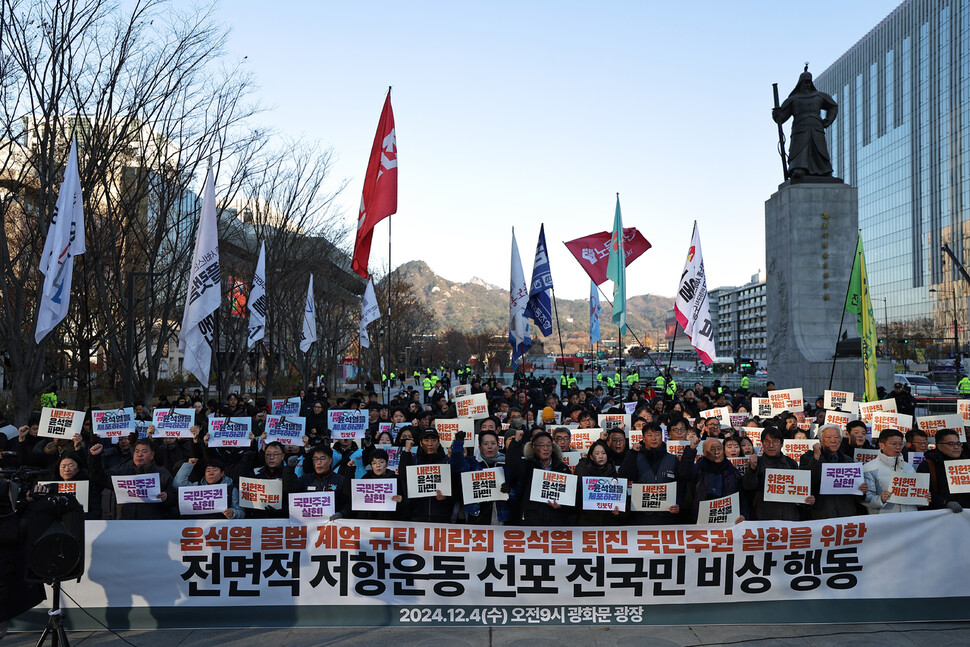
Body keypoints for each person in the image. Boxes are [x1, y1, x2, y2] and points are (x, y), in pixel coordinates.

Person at [618, 422, 693, 524]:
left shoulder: (672, 459)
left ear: (662, 437)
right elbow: (624, 476)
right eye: (649, 435)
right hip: (640, 516)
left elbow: (681, 485)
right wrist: (632, 453)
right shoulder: (635, 456)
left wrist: (678, 503)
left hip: (666, 515)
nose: (654, 438)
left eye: (657, 435)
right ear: (643, 439)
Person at [772, 66, 838, 178]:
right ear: (800, 83)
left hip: (816, 126)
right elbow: (781, 118)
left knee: (819, 149)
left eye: (809, 82)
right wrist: (777, 114)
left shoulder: (819, 96)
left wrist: (827, 121)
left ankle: (824, 170)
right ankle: (798, 168)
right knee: (799, 149)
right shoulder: (793, 99)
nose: (807, 85)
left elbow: (833, 106)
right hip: (800, 128)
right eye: (804, 82)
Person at [87, 438, 176, 519]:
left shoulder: (163, 475)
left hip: (152, 524)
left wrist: (167, 497)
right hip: (125, 524)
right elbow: (99, 477)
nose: (139, 455)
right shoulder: (122, 473)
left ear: (152, 455)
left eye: (144, 451)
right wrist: (95, 457)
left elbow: (175, 500)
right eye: (137, 451)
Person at [743, 427, 814, 520]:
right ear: (762, 444)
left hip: (790, 517)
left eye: (775, 441)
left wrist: (805, 500)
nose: (771, 445)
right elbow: (748, 487)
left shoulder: (791, 463)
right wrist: (752, 469)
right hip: (764, 519)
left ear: (781, 444)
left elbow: (797, 493)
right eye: (767, 441)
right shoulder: (757, 463)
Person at [506, 429, 574, 526]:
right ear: (533, 447)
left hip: (556, 522)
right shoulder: (527, 467)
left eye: (548, 445)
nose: (545, 448)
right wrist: (516, 442)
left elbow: (571, 498)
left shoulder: (563, 468)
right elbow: (512, 463)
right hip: (532, 520)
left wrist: (561, 506)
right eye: (541, 445)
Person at [799, 424, 867, 519]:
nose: (833, 440)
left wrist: (862, 491)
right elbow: (807, 483)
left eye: (836, 437)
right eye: (828, 437)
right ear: (820, 440)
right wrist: (816, 459)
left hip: (846, 516)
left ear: (841, 439)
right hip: (821, 515)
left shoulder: (848, 461)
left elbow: (857, 497)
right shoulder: (809, 458)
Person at [450, 429, 511, 524]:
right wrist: (458, 444)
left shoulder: (506, 464)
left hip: (499, 516)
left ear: (498, 446)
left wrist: (509, 490)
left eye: (493, 443)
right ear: (479, 447)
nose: (489, 447)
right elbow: (457, 467)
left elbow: (517, 490)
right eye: (485, 444)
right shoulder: (472, 463)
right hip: (476, 515)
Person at [397, 429, 457, 523]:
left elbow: (456, 489)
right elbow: (403, 477)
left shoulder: (447, 462)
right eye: (426, 440)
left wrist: (445, 498)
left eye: (433, 440)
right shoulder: (413, 461)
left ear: (438, 443)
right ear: (421, 443)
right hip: (416, 516)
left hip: (441, 517)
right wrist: (406, 451)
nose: (430, 444)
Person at [863, 429, 928, 513]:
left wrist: (923, 498)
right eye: (893, 444)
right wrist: (880, 499)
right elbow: (864, 499)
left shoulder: (909, 467)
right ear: (881, 445)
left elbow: (914, 498)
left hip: (909, 519)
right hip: (885, 520)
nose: (898, 447)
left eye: (900, 444)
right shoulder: (869, 468)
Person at [683, 438, 746, 524]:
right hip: (701, 520)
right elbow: (685, 473)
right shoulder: (699, 469)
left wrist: (744, 514)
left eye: (719, 449)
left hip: (728, 520)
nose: (717, 452)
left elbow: (741, 496)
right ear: (704, 452)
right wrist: (691, 449)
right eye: (712, 449)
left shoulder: (732, 471)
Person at [174, 457, 244, 519]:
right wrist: (188, 465)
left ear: (222, 473)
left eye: (215, 470)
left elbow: (241, 512)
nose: (211, 473)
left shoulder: (231, 490)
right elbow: (178, 484)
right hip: (196, 527)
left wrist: (233, 513)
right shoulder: (197, 487)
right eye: (208, 470)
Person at [918, 429, 970, 511]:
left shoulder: (967, 463)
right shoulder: (928, 465)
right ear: (939, 447)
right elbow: (922, 492)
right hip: (942, 516)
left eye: (958, 444)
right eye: (951, 444)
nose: (956, 447)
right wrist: (945, 502)